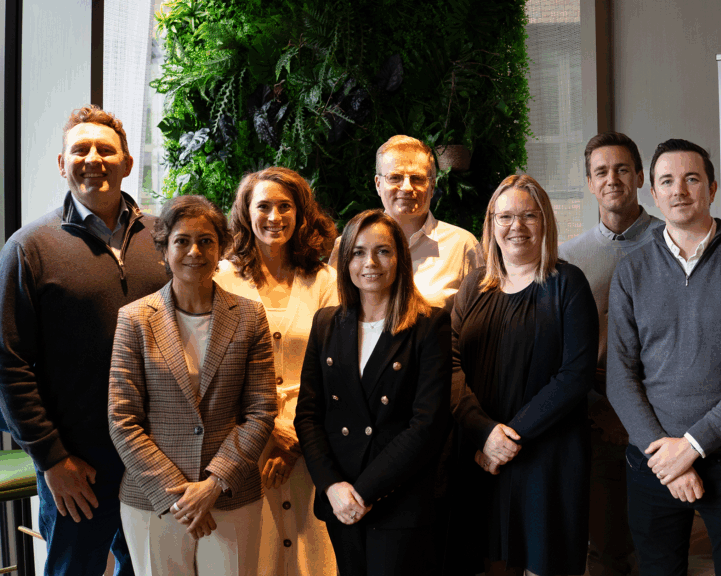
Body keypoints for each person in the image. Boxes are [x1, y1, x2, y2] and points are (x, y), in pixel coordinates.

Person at [0, 104, 169, 575]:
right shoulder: (29, 249)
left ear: (127, 163)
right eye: (80, 149)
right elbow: (6, 363)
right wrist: (52, 460)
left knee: (150, 569)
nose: (93, 159)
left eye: (105, 150)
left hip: (159, 459)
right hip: (78, 467)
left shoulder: (165, 240)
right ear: (62, 164)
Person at [607, 138, 721, 576]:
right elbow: (620, 376)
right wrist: (665, 457)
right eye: (667, 181)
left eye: (691, 179)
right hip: (653, 461)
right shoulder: (631, 271)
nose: (679, 190)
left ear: (711, 187)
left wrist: (691, 446)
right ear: (653, 193)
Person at [108, 195, 277, 576]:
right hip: (154, 500)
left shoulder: (250, 316)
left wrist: (213, 484)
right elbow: (122, 420)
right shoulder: (134, 319)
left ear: (221, 249)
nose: (194, 251)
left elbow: (261, 410)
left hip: (230, 495)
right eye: (182, 241)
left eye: (206, 241)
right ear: (164, 249)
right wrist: (181, 495)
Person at [447, 175, 599, 576]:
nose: (517, 226)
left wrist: (507, 438)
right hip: (479, 454)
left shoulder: (568, 284)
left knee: (543, 563)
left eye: (529, 216)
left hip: (548, 457)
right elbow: (450, 365)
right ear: (491, 223)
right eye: (506, 217)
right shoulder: (473, 286)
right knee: (484, 562)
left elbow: (576, 374)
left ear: (545, 222)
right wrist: (484, 433)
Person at [295, 209, 452, 576]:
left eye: (383, 251)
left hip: (399, 498)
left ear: (400, 259)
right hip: (340, 497)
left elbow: (427, 425)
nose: (370, 263)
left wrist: (363, 492)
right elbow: (308, 414)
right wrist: (332, 486)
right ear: (345, 261)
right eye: (358, 252)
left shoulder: (429, 324)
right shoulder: (326, 323)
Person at [214, 167, 339, 576]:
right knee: (255, 555)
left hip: (311, 439)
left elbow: (335, 367)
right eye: (263, 206)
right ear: (245, 213)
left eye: (285, 206)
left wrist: (295, 439)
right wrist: (269, 430)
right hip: (245, 441)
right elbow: (218, 372)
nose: (274, 217)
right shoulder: (222, 278)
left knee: (312, 553)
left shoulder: (324, 279)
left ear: (301, 214)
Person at [559, 132, 661, 576]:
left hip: (664, 417)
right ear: (589, 183)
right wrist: (600, 410)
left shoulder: (673, 241)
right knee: (606, 548)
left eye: (622, 169)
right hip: (597, 418)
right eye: (601, 171)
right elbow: (559, 350)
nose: (612, 179)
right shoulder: (567, 257)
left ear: (639, 176)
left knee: (662, 547)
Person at [329, 134, 481, 310]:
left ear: (432, 186)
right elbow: (335, 313)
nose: (407, 187)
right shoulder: (348, 245)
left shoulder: (462, 246)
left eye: (417, 178)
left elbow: (481, 318)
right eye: (395, 177)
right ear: (378, 184)